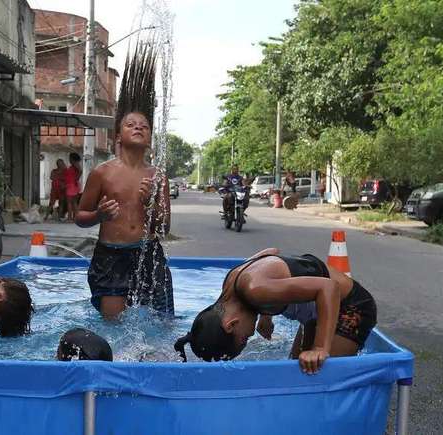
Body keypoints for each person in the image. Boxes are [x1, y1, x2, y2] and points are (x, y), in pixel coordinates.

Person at [76, 41, 173, 320]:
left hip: (148, 253)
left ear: (150, 137)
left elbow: (164, 228)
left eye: (144, 126)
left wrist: (149, 204)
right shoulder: (102, 173)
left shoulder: (157, 177)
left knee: (162, 321)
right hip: (111, 255)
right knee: (114, 325)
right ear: (119, 136)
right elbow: (80, 217)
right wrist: (99, 214)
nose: (139, 127)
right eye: (131, 124)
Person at [174, 248, 377, 374]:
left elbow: (329, 288)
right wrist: (266, 314)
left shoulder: (255, 290)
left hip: (351, 307)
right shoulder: (232, 282)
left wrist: (320, 348)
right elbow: (271, 252)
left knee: (318, 378)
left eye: (243, 339)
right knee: (297, 374)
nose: (250, 335)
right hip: (319, 313)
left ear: (231, 324)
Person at [63, 153, 82, 222]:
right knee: (74, 203)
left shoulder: (75, 164)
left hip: (71, 186)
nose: (69, 159)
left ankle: (70, 218)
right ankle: (76, 218)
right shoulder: (75, 165)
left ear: (72, 158)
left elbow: (80, 171)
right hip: (74, 185)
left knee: (69, 203)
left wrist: (76, 178)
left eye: (70, 158)